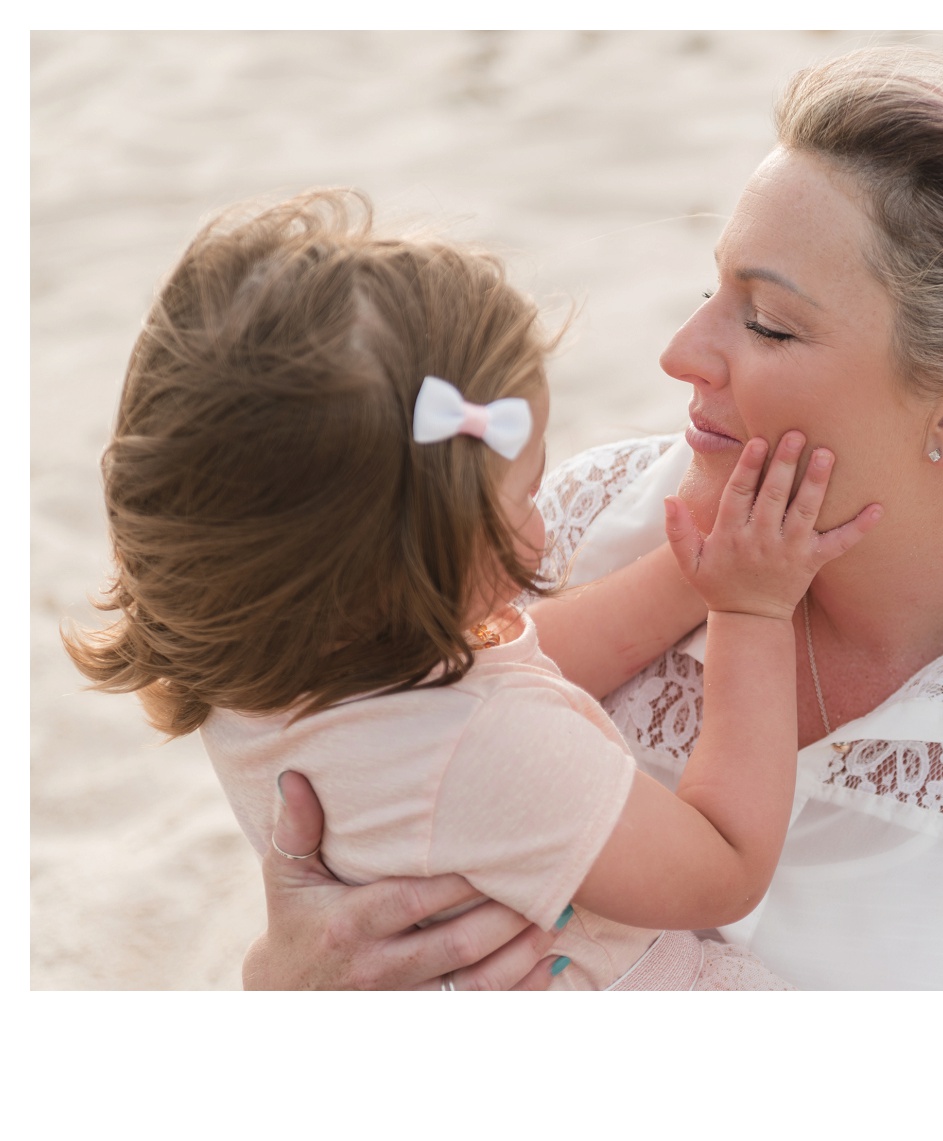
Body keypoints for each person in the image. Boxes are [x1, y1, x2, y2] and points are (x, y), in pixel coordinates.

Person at [248, 45, 943, 990]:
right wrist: (287, 987)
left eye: (770, 325)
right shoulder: (572, 529)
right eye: (711, 291)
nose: (683, 354)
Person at [64, 188, 884, 990]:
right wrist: (751, 609)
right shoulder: (487, 751)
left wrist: (692, 573)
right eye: (527, 495)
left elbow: (522, 666)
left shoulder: (273, 675)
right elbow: (723, 864)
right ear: (420, 559)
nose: (543, 525)